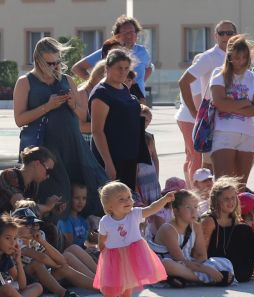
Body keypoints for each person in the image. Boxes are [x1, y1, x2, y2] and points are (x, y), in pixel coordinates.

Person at [14, 36, 106, 215]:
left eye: (57, 62)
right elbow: (19, 119)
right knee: (56, 191)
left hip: (72, 144)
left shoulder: (67, 80)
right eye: (49, 63)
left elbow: (81, 114)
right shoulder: (25, 82)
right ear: (38, 60)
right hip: (45, 146)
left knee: (89, 185)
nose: (54, 67)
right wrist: (47, 106)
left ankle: (83, 230)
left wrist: (72, 104)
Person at [91, 182, 173, 297]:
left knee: (126, 294)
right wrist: (103, 252)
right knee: (109, 293)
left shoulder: (134, 214)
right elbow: (102, 240)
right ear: (109, 207)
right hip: (114, 259)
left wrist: (164, 200)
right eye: (121, 199)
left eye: (128, 197)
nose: (127, 201)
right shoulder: (105, 221)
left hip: (131, 258)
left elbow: (151, 209)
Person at [176, 21, 237, 185]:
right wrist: (195, 114)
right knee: (208, 169)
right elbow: (184, 82)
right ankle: (207, 204)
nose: (226, 36)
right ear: (215, 36)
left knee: (233, 168)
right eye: (222, 33)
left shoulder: (241, 56)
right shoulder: (209, 57)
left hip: (237, 119)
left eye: (229, 33)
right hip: (213, 119)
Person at [89, 48, 151, 190]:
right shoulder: (101, 93)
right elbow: (97, 131)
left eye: (126, 68)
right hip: (112, 157)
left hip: (129, 155)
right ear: (107, 68)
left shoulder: (123, 87)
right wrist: (108, 164)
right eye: (118, 68)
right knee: (114, 202)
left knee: (127, 202)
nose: (123, 72)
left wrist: (144, 114)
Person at [206, 35, 254, 183]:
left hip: (248, 134)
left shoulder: (253, 77)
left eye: (244, 57)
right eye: (237, 57)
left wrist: (231, 106)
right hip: (224, 132)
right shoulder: (219, 74)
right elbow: (220, 103)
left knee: (240, 187)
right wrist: (244, 102)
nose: (240, 61)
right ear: (229, 56)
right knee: (223, 184)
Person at [151, 189, 229, 287]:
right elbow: (180, 260)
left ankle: (182, 279)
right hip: (173, 264)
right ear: (176, 211)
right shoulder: (168, 229)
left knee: (224, 262)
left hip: (187, 264)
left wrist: (200, 265)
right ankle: (206, 280)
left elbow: (202, 256)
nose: (194, 211)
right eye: (188, 207)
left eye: (196, 207)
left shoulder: (196, 226)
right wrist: (207, 270)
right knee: (166, 264)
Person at [199, 178, 254, 282]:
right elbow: (202, 250)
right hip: (217, 263)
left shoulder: (234, 219)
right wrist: (206, 270)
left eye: (233, 198)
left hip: (235, 265)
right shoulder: (209, 220)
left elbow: (243, 246)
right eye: (226, 199)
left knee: (244, 228)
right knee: (244, 228)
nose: (230, 202)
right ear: (216, 200)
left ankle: (248, 269)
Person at [72, 15, 153, 97]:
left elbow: (149, 68)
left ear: (136, 34)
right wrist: (94, 83)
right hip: (113, 99)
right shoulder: (109, 52)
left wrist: (140, 82)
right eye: (125, 33)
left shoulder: (143, 51)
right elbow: (77, 68)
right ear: (117, 36)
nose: (129, 35)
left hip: (138, 99)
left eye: (132, 32)